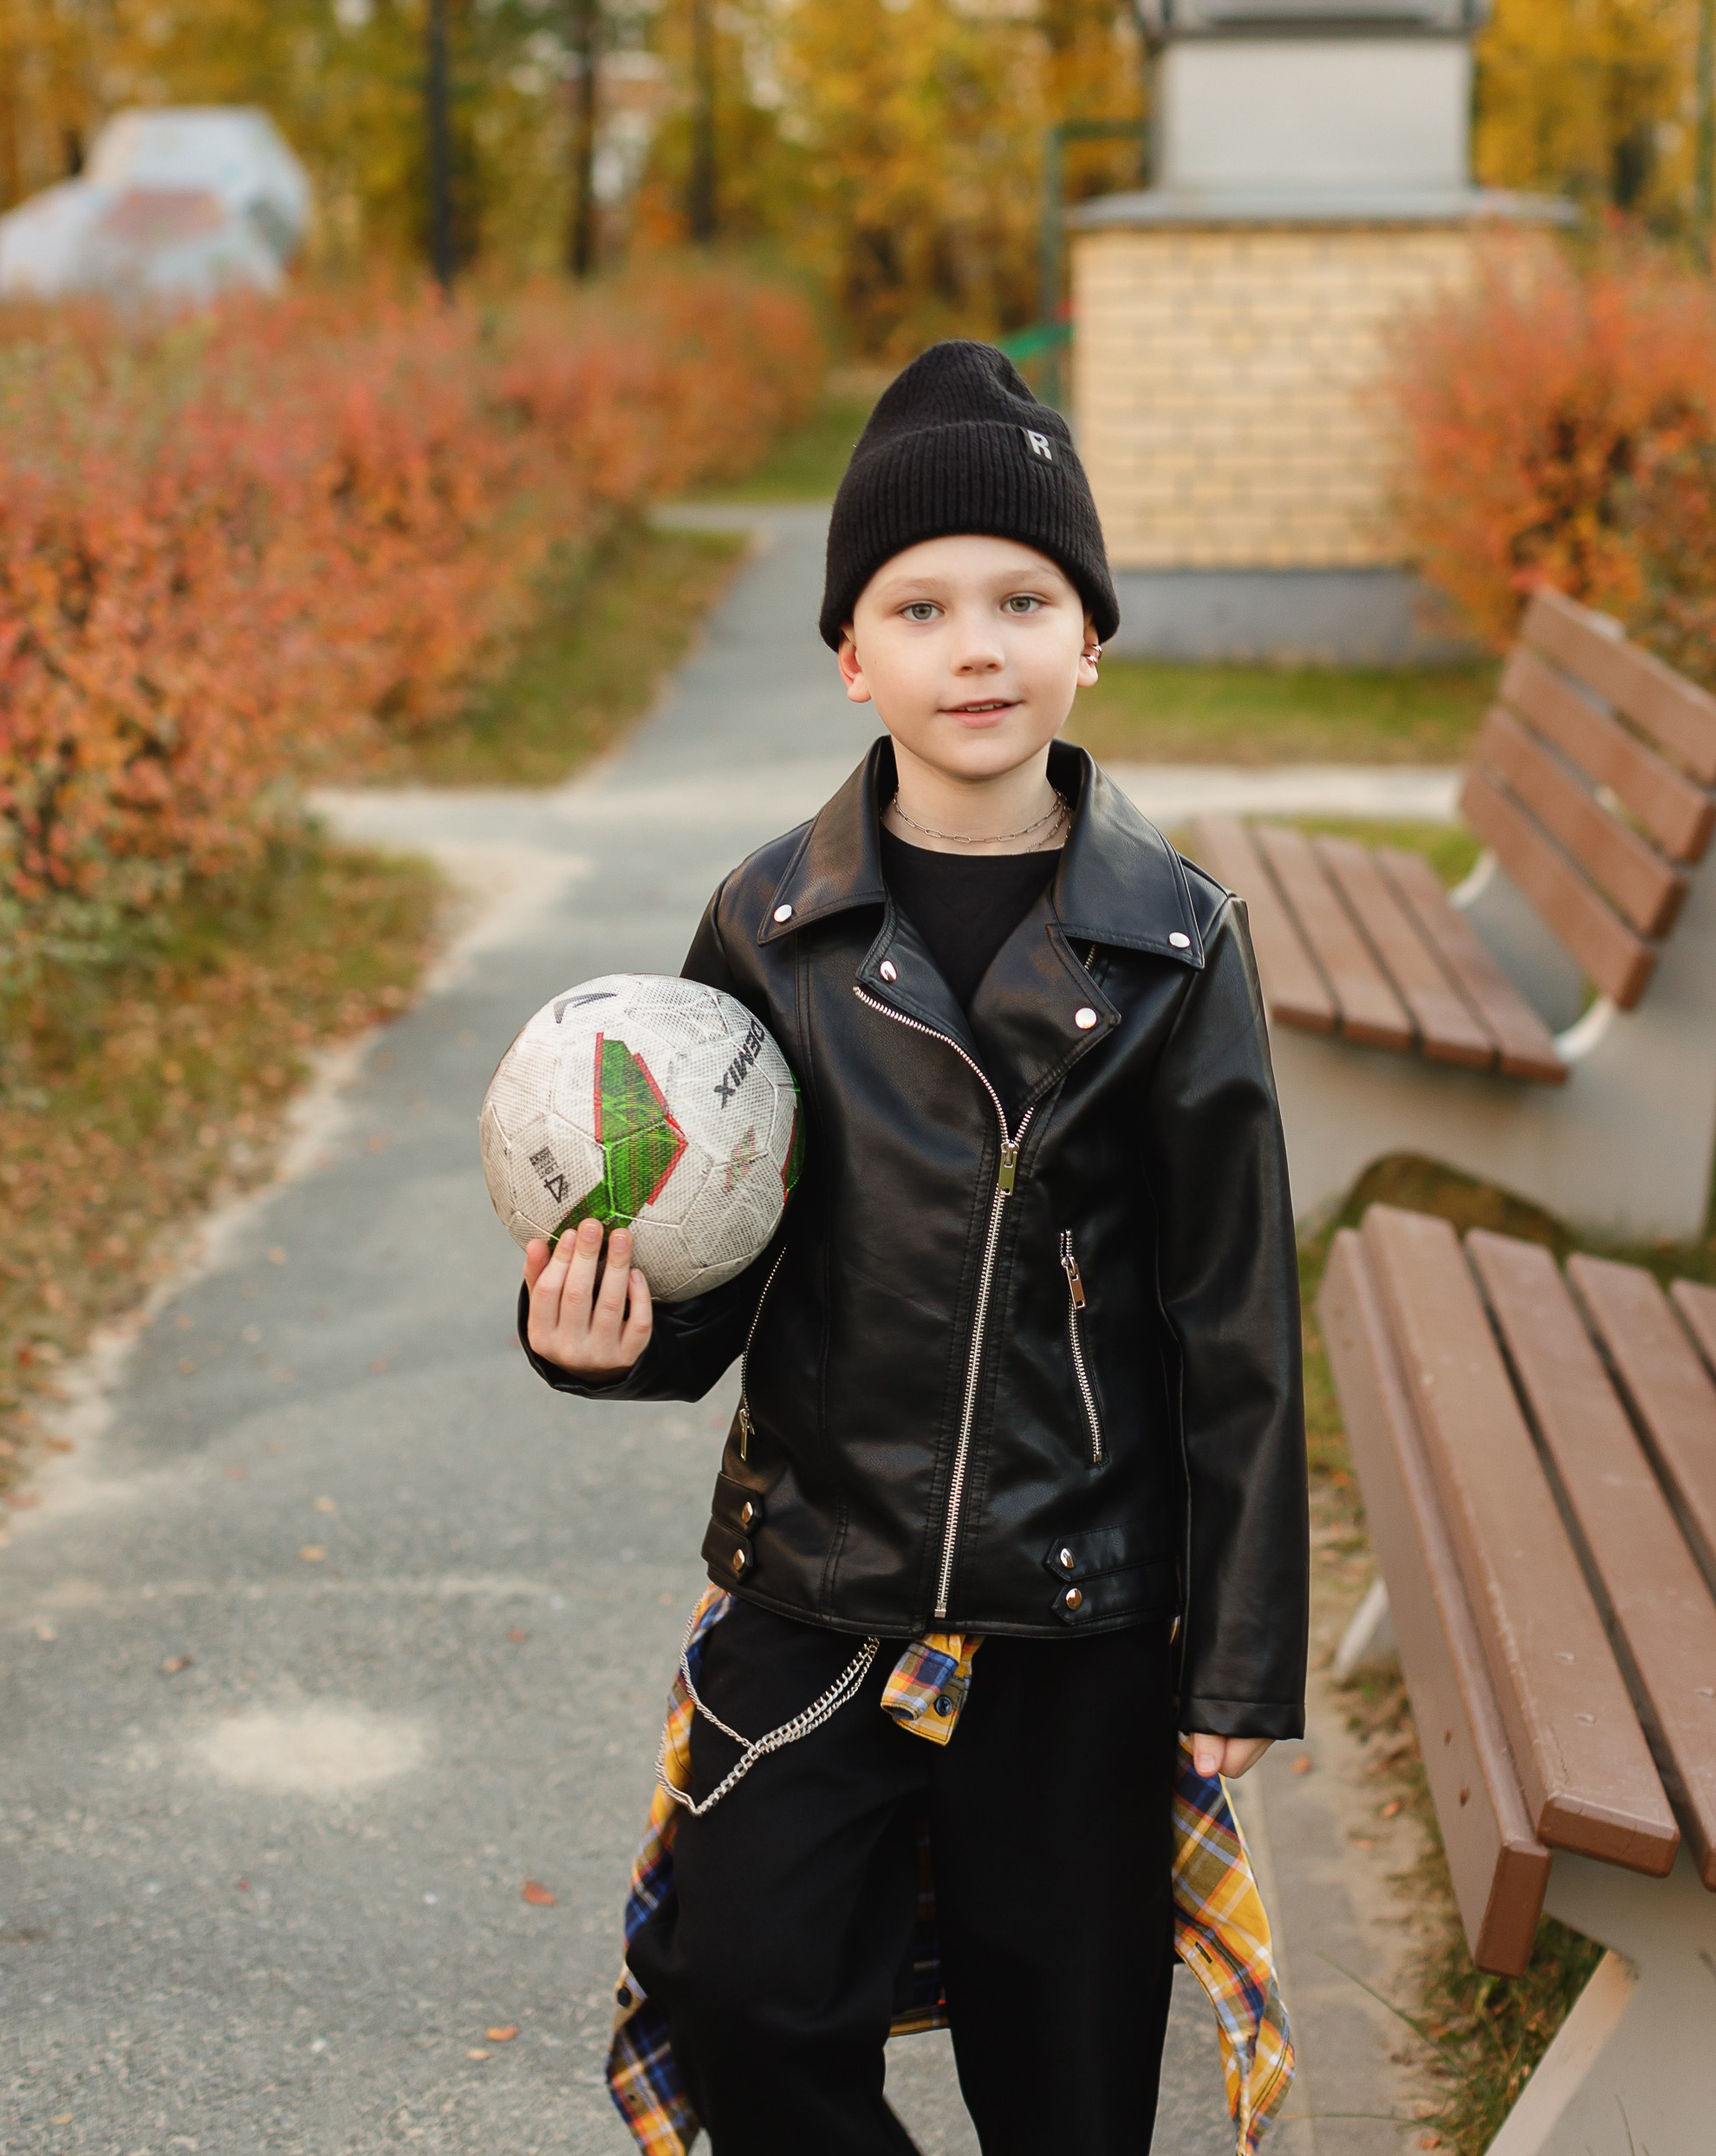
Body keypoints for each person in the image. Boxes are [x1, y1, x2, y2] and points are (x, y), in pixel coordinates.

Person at [520, 340, 1309, 2156]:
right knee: (744, 1997)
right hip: (816, 1586)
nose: (977, 646)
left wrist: (1239, 1652)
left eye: (1024, 599)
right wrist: (605, 1337)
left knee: (1068, 2071)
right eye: (921, 605)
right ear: (850, 656)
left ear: (1089, 638)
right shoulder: (771, 926)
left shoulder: (1176, 944)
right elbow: (712, 1244)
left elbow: (1237, 1321)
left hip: (1076, 1615)